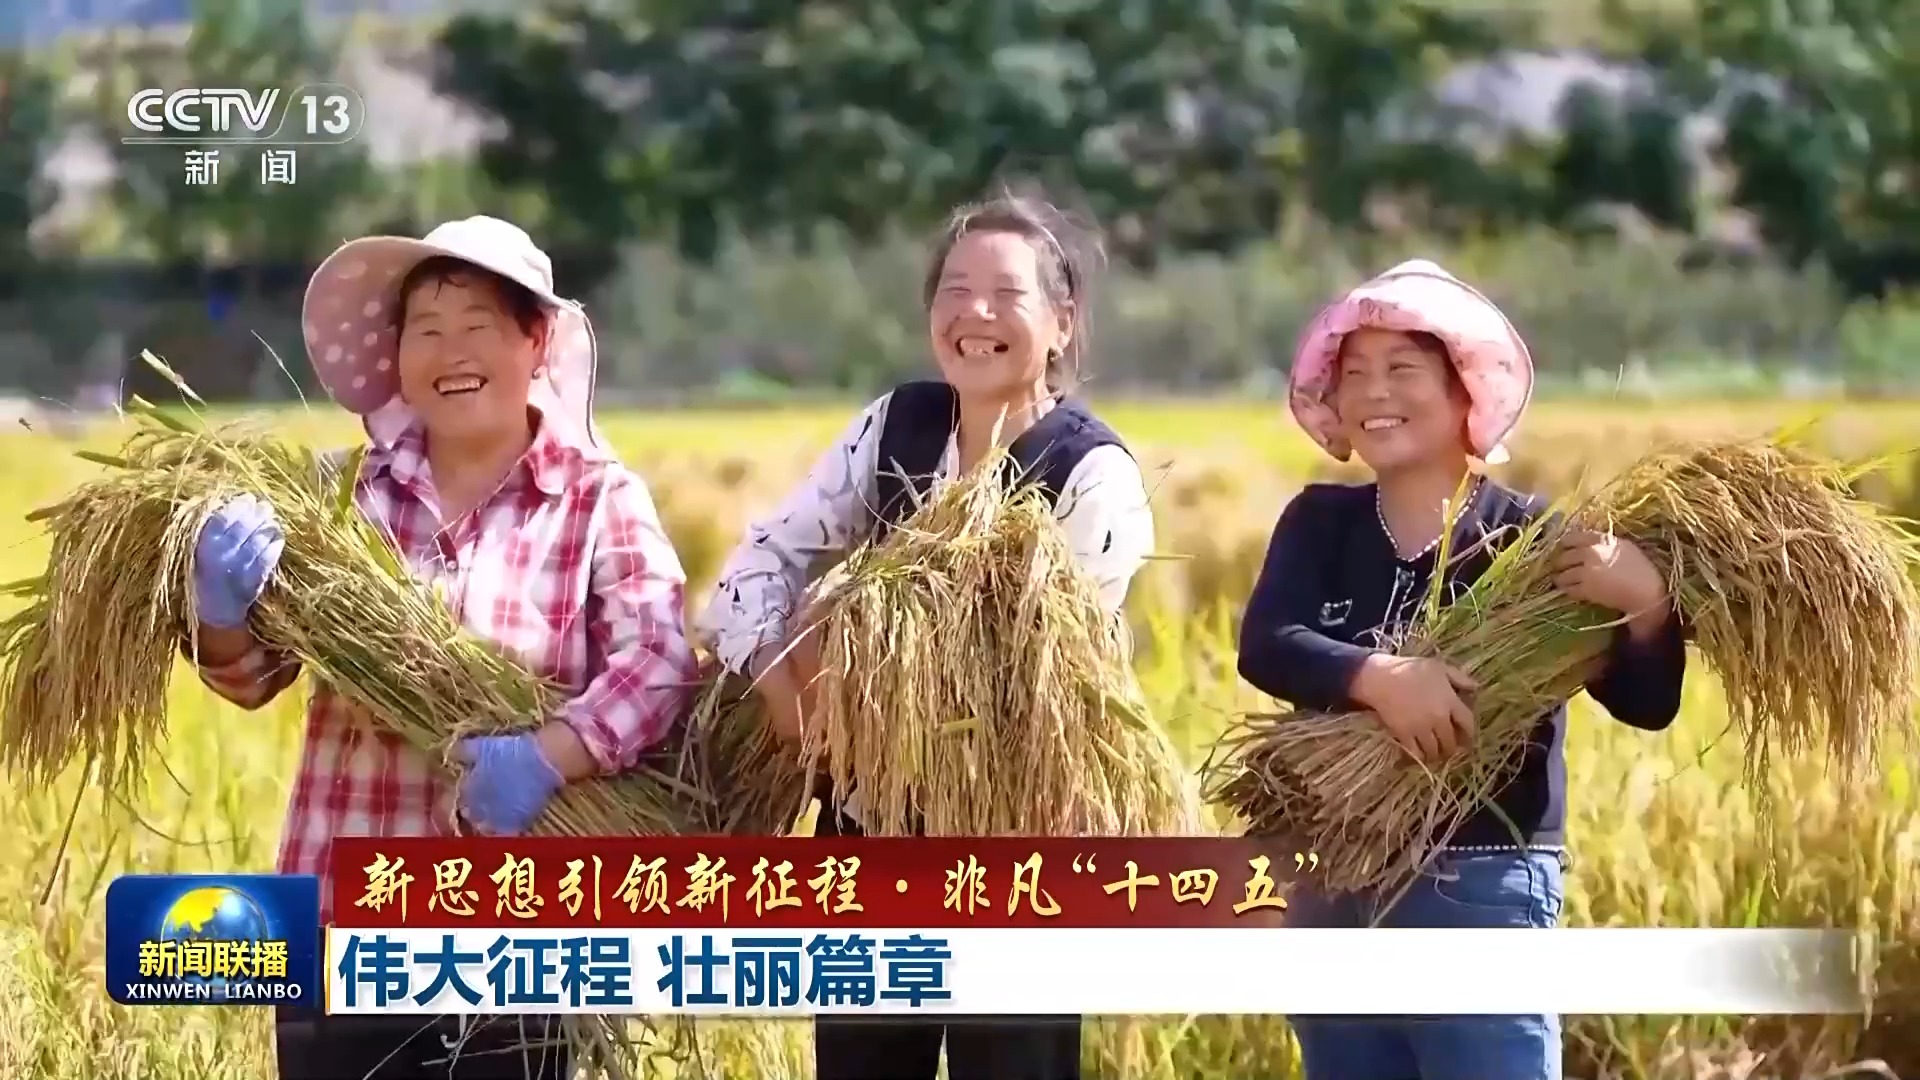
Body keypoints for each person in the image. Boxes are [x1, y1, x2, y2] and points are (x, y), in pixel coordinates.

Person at [182, 216, 698, 1079]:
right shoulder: (338, 500)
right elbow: (251, 677)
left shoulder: (598, 499)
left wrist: (549, 756)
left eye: (478, 325)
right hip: (341, 919)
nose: (451, 352)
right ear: (396, 356)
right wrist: (221, 612)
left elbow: (660, 662)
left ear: (536, 342)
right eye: (425, 329)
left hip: (517, 942)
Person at [695, 192, 1156, 1080]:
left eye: (1006, 293)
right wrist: (781, 678)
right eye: (953, 289)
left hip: (1015, 851)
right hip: (867, 835)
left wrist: (842, 649)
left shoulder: (1092, 473)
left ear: (1062, 323)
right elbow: (761, 561)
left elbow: (1033, 679)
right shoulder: (896, 427)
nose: (974, 312)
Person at [1238, 259, 1688, 1080]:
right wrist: (1379, 678)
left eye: (1403, 369)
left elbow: (1645, 703)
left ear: (1464, 392)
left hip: (1481, 879)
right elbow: (1268, 642)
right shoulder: (1319, 521)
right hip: (1332, 879)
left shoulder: (1533, 545)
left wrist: (1646, 603)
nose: (1375, 392)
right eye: (1354, 374)